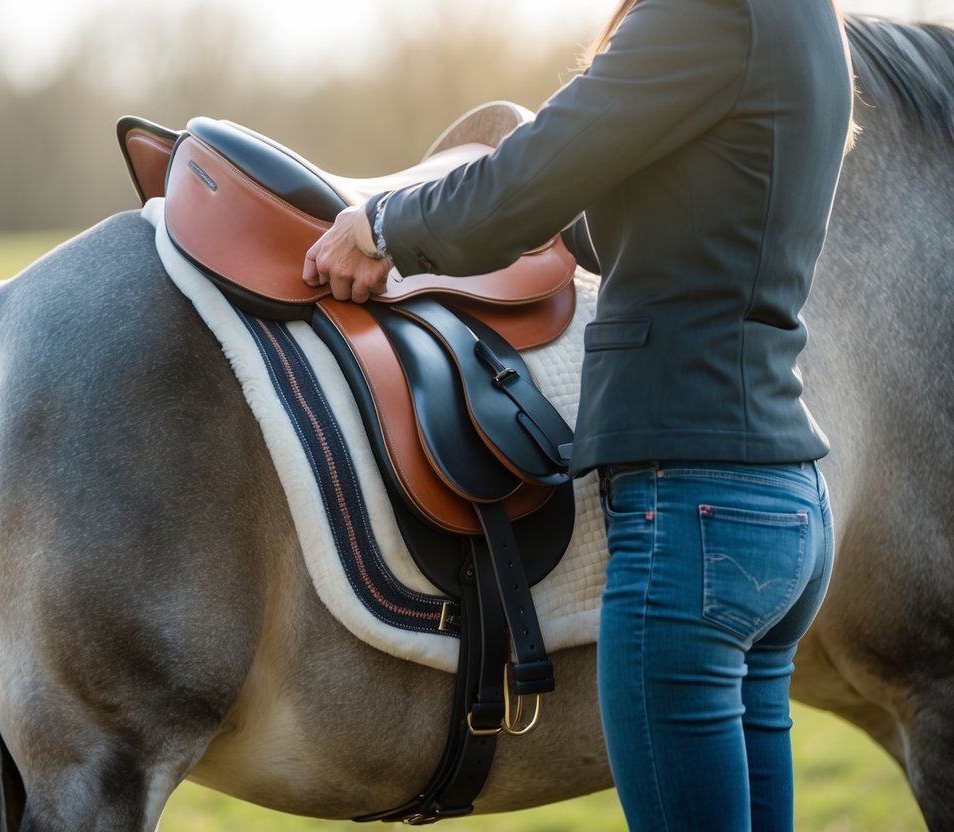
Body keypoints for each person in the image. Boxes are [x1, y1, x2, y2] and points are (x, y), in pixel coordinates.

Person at [301, 0, 853, 828]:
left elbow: (515, 191)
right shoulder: (804, 19)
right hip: (781, 501)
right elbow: (692, 218)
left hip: (692, 509)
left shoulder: (701, 14)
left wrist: (383, 225)